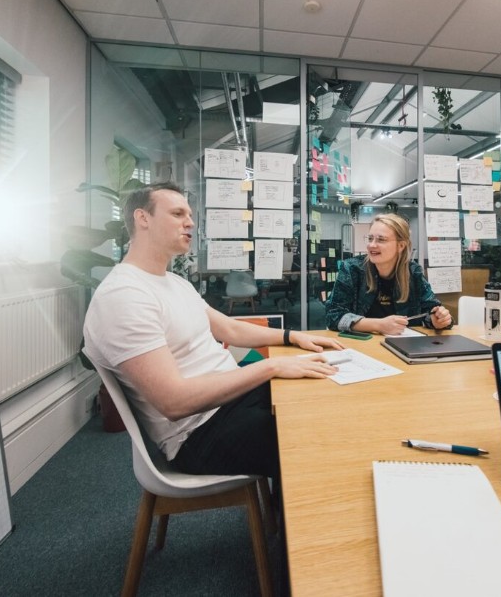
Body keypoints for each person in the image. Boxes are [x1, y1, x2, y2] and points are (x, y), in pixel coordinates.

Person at [83, 182, 344, 478]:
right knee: (318, 436)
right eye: (178, 213)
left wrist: (291, 336)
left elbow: (230, 329)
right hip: (200, 432)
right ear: (143, 218)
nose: (190, 222)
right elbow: (174, 401)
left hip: (231, 398)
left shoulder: (175, 283)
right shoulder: (124, 296)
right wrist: (271, 367)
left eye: (190, 215)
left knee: (324, 396)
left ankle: (285, 513)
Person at [325, 213, 453, 335]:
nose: (371, 245)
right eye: (370, 238)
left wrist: (438, 320)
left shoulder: (414, 272)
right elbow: (333, 316)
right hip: (361, 344)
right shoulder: (352, 269)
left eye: (381, 240)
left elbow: (431, 311)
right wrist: (379, 325)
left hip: (406, 345)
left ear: (401, 245)